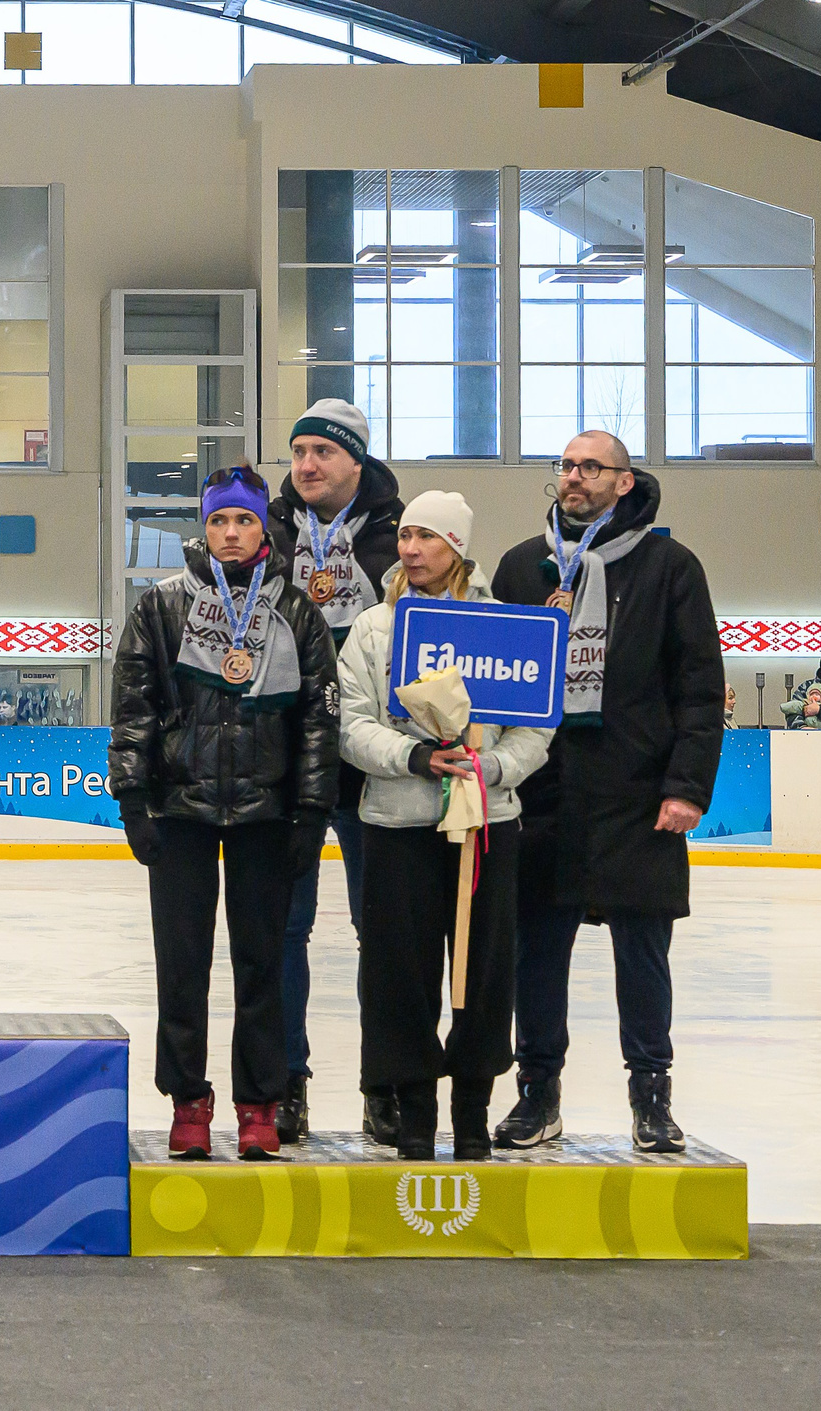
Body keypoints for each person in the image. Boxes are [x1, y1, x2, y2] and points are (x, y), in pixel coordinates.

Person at [490, 431, 723, 1155]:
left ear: (626, 482)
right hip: (544, 793)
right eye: (565, 465)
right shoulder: (522, 567)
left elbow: (699, 688)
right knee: (536, 954)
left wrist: (685, 785)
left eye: (591, 466)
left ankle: (651, 1094)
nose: (574, 477)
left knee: (644, 955)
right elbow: (493, 682)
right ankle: (538, 1093)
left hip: (637, 792)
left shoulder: (669, 566)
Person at [110, 465, 340, 1162]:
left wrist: (309, 812)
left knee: (262, 964)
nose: (231, 533)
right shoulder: (162, 605)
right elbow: (132, 708)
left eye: (243, 520)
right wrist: (131, 799)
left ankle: (258, 1102)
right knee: (180, 964)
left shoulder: (295, 611)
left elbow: (319, 723)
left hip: (267, 815)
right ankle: (188, 1099)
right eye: (218, 521)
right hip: (180, 809)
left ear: (263, 527)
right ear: (202, 528)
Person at [336, 492, 551, 1162]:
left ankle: (470, 1112)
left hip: (486, 826)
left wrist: (489, 768)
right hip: (396, 826)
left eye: (426, 536)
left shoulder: (500, 625)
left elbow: (536, 724)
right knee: (398, 973)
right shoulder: (374, 629)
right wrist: (414, 756)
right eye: (404, 535)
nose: (410, 548)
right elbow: (351, 722)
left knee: (483, 972)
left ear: (456, 545)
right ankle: (414, 1111)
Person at [264, 396, 404, 1145]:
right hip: (288, 760)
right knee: (283, 929)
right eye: (299, 452)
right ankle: (287, 1084)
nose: (307, 465)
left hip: (372, 762)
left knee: (379, 929)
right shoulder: (267, 531)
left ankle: (382, 1084)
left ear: (356, 460)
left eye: (323, 451)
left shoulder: (401, 533)